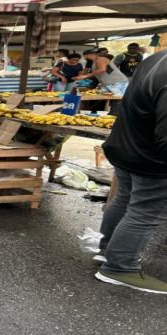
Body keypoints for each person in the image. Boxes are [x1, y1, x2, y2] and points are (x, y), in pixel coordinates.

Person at [95, 49, 167, 294]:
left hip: (126, 144)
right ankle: (120, 267)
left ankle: (107, 250)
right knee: (145, 211)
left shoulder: (159, 57)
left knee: (125, 200)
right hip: (150, 157)